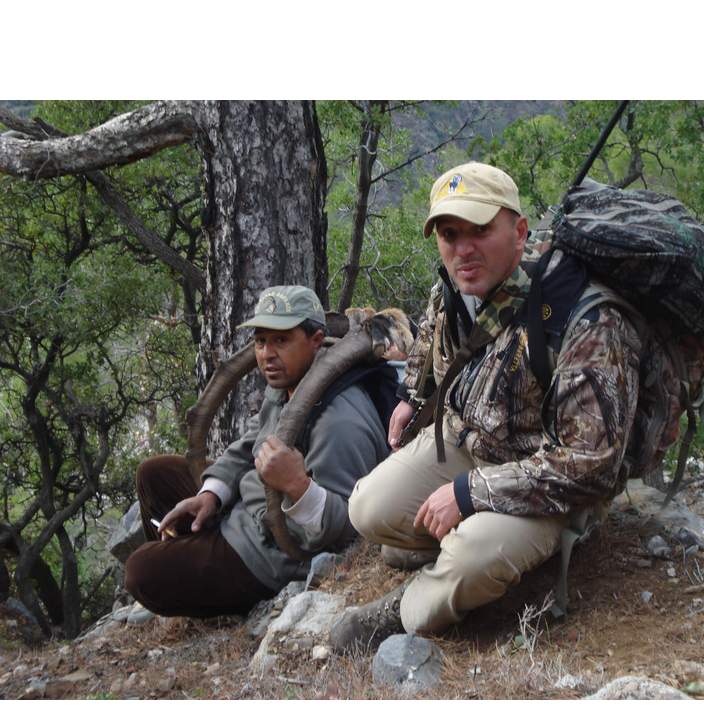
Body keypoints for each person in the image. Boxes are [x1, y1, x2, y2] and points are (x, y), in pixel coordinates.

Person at [329, 162, 640, 650]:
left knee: (470, 562)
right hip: (469, 442)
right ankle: (457, 538)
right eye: (450, 234)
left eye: (480, 230)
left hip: (547, 488)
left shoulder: (582, 317)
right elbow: (433, 335)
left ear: (518, 231)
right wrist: (414, 395)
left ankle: (405, 608)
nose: (463, 248)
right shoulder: (458, 284)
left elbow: (592, 466)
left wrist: (471, 493)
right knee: (367, 506)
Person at [125, 285, 390, 619]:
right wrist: (211, 496)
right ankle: (184, 553)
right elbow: (246, 448)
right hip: (247, 510)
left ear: (316, 340)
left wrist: (299, 488)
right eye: (261, 341)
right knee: (154, 472)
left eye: (282, 340)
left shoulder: (338, 422)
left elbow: (349, 531)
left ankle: (192, 577)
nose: (267, 354)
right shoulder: (289, 384)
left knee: (140, 571)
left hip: (267, 553)